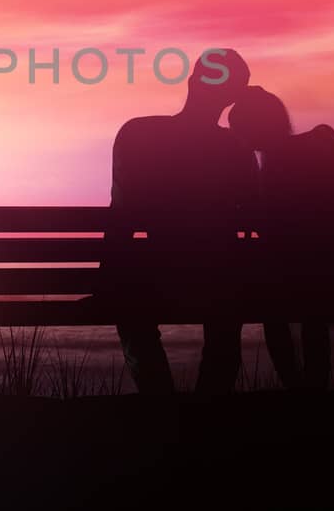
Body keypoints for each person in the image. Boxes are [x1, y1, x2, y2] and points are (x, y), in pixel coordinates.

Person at [108, 48, 257, 396]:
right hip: (220, 281)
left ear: (191, 81)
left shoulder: (137, 134)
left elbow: (121, 219)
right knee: (227, 309)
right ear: (233, 97)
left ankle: (160, 401)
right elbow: (253, 217)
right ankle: (208, 408)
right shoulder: (237, 147)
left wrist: (106, 281)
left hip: (157, 277)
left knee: (132, 312)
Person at [227, 86, 334, 389]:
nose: (241, 141)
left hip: (328, 283)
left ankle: (298, 388)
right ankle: (313, 388)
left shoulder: (275, 171)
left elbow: (280, 237)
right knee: (304, 296)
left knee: (278, 306)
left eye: (241, 132)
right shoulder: (324, 143)